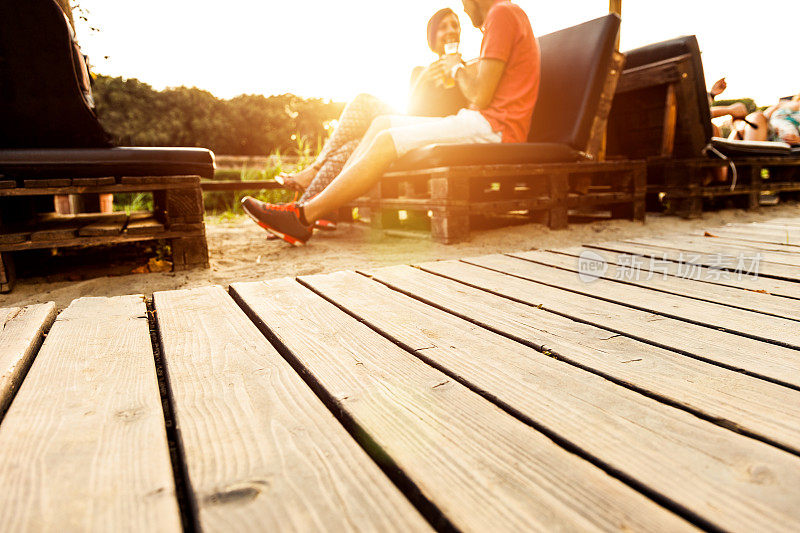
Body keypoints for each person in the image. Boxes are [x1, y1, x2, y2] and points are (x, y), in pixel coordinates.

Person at [243, 0, 540, 246]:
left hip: (496, 129)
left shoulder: (502, 13)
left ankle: (302, 217)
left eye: (463, 4)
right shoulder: (506, 17)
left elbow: (480, 96)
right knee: (382, 122)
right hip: (484, 123)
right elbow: (481, 97)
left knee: (386, 139)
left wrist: (457, 67)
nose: (464, 9)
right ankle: (321, 203)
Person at [274, 8, 467, 207]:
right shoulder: (420, 72)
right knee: (351, 147)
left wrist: (456, 70)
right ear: (433, 37)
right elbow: (411, 112)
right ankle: (302, 209)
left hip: (437, 131)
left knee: (363, 101)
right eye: (443, 27)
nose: (451, 30)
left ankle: (314, 170)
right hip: (408, 128)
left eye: (455, 25)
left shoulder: (467, 71)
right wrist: (424, 80)